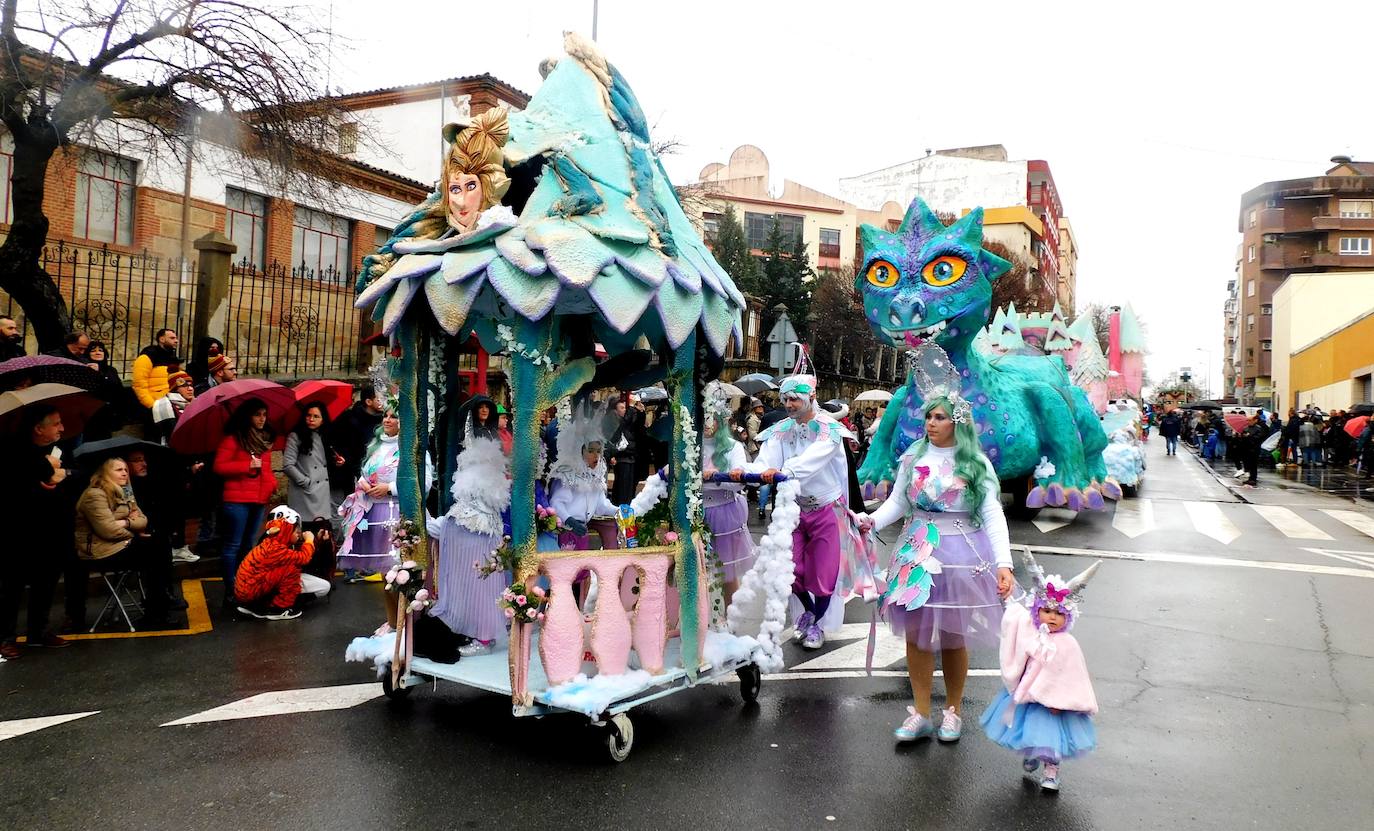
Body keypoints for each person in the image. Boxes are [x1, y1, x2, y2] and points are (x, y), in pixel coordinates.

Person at [859, 395, 1015, 743]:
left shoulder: (975, 463)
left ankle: (953, 711)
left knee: (953, 637)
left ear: (957, 423)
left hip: (960, 556)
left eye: (940, 417)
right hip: (915, 553)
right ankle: (921, 713)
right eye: (929, 416)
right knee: (916, 636)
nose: (931, 422)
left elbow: (992, 514)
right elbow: (898, 502)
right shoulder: (913, 457)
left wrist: (1004, 563)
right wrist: (872, 521)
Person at [743, 375, 857, 650]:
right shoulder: (781, 430)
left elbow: (812, 460)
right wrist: (748, 473)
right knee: (790, 569)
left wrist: (783, 472)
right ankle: (809, 612)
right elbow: (765, 461)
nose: (789, 404)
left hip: (827, 510)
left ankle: (817, 624)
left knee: (823, 573)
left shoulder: (829, 430)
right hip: (794, 510)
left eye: (794, 399)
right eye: (785, 399)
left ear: (811, 397)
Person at [980, 553, 1100, 792]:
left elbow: (1073, 675)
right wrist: (1007, 595)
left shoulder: (1068, 644)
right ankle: (1033, 752)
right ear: (1036, 610)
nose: (1052, 617)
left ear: (1067, 617)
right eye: (1046, 610)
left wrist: (1062, 702)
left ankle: (1051, 770)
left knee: (1051, 737)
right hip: (1030, 697)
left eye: (1059, 613)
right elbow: (1013, 617)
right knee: (1030, 730)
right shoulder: (1030, 630)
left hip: (1055, 703)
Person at [428, 396, 511, 656]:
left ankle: (484, 635)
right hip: (472, 524)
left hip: (484, 525)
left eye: (488, 407)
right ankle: (476, 631)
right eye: (480, 408)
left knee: (482, 582)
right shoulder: (468, 467)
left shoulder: (492, 456)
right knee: (474, 581)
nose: (484, 411)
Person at [0, 405, 72, 657]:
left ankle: (38, 631)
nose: (62, 428)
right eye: (56, 423)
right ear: (38, 429)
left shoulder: (60, 449)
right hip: (18, 530)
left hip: (50, 528)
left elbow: (71, 475)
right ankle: (5, 637)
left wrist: (60, 473)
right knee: (12, 585)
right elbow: (20, 482)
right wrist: (45, 469)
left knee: (46, 581)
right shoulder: (13, 451)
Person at [73, 458, 176, 628]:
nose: (124, 473)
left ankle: (159, 607)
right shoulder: (95, 495)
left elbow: (143, 520)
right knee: (155, 550)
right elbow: (108, 530)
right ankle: (157, 610)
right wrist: (132, 528)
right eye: (118, 470)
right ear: (105, 473)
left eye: (126, 470)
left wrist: (125, 522)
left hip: (119, 545)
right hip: (100, 552)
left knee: (159, 543)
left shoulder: (125, 492)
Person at [213, 397, 279, 607]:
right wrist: (246, 465)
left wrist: (272, 484)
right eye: (257, 414)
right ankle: (231, 590)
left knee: (249, 545)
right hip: (237, 500)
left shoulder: (264, 439)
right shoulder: (234, 439)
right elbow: (219, 466)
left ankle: (245, 585)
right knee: (233, 544)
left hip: (258, 499)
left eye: (264, 414)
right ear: (247, 416)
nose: (262, 419)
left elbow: (266, 470)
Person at [337, 405, 403, 583]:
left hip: (397, 514)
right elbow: (365, 472)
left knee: (399, 573)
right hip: (373, 514)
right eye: (385, 416)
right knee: (385, 575)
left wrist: (389, 488)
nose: (387, 420)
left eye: (393, 416)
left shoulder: (411, 448)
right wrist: (364, 484)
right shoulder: (376, 445)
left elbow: (423, 483)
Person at [233, 506, 330, 620]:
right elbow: (303, 558)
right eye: (296, 530)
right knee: (291, 569)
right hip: (253, 592)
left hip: (251, 589)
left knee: (323, 586)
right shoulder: (275, 547)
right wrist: (309, 541)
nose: (299, 533)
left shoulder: (273, 542)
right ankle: (278, 608)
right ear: (286, 530)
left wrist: (318, 541)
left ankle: (260, 606)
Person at [700, 405, 754, 608]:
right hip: (695, 513)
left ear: (720, 421)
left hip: (725, 514)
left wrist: (715, 478)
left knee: (726, 573)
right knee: (696, 572)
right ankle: (701, 618)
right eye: (703, 418)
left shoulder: (733, 447)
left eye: (711, 418)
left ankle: (730, 617)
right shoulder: (690, 444)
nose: (707, 424)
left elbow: (738, 482)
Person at [126, 447, 200, 564]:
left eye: (144, 460)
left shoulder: (150, 484)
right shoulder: (120, 491)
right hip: (130, 543)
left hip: (154, 539)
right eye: (137, 460)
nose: (144, 464)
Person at [283, 401, 339, 524]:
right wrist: (305, 481)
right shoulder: (296, 436)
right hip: (304, 493)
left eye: (316, 416)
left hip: (322, 493)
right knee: (304, 529)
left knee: (321, 529)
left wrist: (336, 461)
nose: (311, 419)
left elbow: (322, 462)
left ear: (323, 420)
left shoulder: (325, 436)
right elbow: (288, 465)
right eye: (308, 415)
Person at [329, 384, 384, 508]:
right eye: (380, 398)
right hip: (349, 475)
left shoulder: (384, 420)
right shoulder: (349, 419)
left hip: (375, 475)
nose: (384, 401)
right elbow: (338, 444)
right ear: (368, 402)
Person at [83, 340, 127, 440]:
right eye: (93, 351)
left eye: (100, 350)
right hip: (93, 414)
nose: (97, 352)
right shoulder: (85, 369)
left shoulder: (111, 370)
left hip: (110, 412)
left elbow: (118, 389)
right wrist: (96, 374)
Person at [131, 328, 182, 414]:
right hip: (157, 404)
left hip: (173, 402)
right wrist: (152, 405)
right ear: (162, 339)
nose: (176, 341)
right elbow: (139, 385)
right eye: (172, 338)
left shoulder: (173, 358)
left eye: (176, 338)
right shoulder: (147, 356)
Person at [607, 396, 644, 504]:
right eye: (622, 408)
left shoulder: (626, 420)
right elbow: (623, 426)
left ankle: (626, 506)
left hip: (630, 455)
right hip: (622, 457)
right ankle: (620, 507)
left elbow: (637, 426)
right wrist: (631, 408)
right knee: (622, 487)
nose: (625, 410)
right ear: (615, 410)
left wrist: (640, 413)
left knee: (629, 487)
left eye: (625, 408)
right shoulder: (613, 420)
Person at [151, 371, 196, 444]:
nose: (190, 389)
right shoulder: (164, 406)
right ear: (175, 389)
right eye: (184, 386)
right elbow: (171, 434)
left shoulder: (197, 403)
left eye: (191, 385)